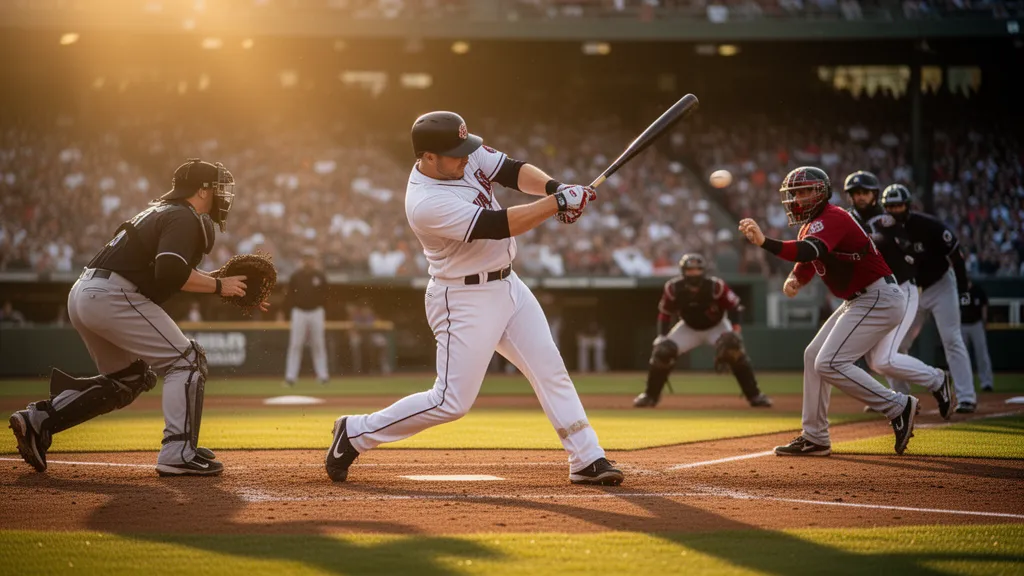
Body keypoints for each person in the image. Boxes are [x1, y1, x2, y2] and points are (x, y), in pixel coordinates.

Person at [325, 111, 622, 485]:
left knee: (551, 370)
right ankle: (355, 432)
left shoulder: (462, 154)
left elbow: (512, 171)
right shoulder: (425, 202)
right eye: (455, 153)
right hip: (463, 298)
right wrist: (559, 204)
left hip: (509, 285)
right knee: (450, 401)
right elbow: (497, 226)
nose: (465, 157)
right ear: (427, 157)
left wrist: (555, 189)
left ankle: (586, 457)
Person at [8, 158, 264, 477]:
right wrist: (217, 285)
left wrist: (222, 285)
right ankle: (178, 451)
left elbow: (165, 272)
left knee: (128, 378)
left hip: (86, 292)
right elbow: (170, 271)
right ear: (202, 191)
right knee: (187, 360)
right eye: (218, 189)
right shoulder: (184, 215)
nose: (223, 197)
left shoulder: (160, 211)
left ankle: (40, 420)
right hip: (112, 295)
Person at [739, 166, 938, 457]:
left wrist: (764, 243)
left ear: (822, 191)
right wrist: (796, 278)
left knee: (829, 362)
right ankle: (815, 436)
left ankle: (897, 406)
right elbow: (809, 260)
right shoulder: (812, 225)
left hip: (878, 296)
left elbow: (809, 250)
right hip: (861, 299)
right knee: (813, 356)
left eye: (806, 190)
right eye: (795, 192)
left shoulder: (832, 217)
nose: (798, 197)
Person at [844, 174, 953, 415]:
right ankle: (900, 399)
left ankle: (937, 379)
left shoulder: (884, 219)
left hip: (901, 289)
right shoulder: (848, 218)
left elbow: (888, 241)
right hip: (873, 294)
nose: (860, 195)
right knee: (876, 361)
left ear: (875, 194)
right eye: (856, 192)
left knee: (884, 359)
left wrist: (863, 241)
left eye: (865, 191)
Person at [879, 185, 976, 413]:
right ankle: (901, 399)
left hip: (940, 285)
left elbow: (956, 254)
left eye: (898, 205)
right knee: (896, 345)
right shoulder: (882, 232)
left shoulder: (928, 225)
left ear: (908, 205)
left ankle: (966, 397)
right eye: (890, 206)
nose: (894, 210)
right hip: (909, 290)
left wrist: (963, 288)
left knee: (951, 338)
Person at [633, 253, 772, 409]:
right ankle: (650, 396)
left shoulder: (716, 286)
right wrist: (661, 336)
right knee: (662, 351)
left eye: (697, 270)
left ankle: (755, 395)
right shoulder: (673, 288)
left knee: (734, 348)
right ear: (683, 271)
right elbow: (665, 313)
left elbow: (735, 308)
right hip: (689, 328)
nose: (694, 274)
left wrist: (735, 331)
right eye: (690, 270)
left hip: (716, 326)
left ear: (704, 271)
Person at [283, 248, 329, 386]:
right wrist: (285, 313)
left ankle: (323, 376)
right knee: (295, 344)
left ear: (314, 260)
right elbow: (289, 296)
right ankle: (290, 377)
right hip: (299, 312)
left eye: (310, 258)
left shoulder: (320, 276)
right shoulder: (296, 276)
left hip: (316, 311)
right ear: (302, 260)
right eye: (306, 258)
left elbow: (326, 296)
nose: (308, 261)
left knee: (318, 344)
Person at [960, 282, 994, 392]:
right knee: (961, 356)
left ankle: (986, 382)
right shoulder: (958, 289)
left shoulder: (977, 290)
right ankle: (964, 384)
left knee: (982, 354)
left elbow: (984, 304)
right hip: (962, 325)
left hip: (976, 324)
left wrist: (984, 320)